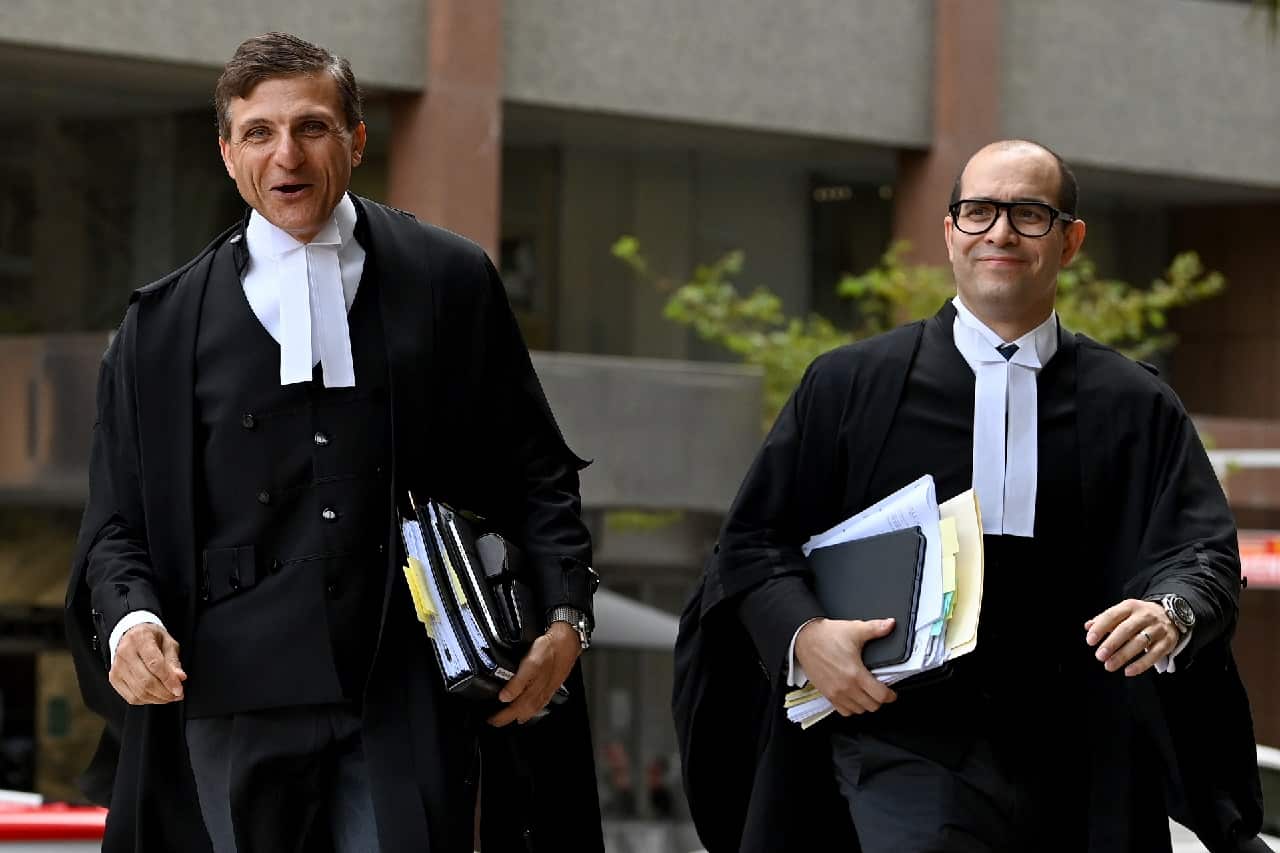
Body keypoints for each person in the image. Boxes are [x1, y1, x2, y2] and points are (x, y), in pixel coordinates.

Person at [65, 32, 603, 853]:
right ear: (226, 152)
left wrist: (566, 614)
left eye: (312, 127)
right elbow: (116, 525)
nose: (288, 154)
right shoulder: (159, 325)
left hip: (410, 688)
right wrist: (131, 620)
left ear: (355, 138)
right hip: (229, 695)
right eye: (259, 132)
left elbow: (538, 470)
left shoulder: (449, 279)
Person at [673, 140, 1270, 853]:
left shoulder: (1136, 403)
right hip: (903, 735)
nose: (1000, 232)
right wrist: (806, 635)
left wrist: (1170, 612)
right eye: (979, 211)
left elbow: (1200, 551)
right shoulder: (850, 385)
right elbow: (750, 545)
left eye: (1028, 213)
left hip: (1087, 746)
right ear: (950, 232)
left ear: (1070, 240)